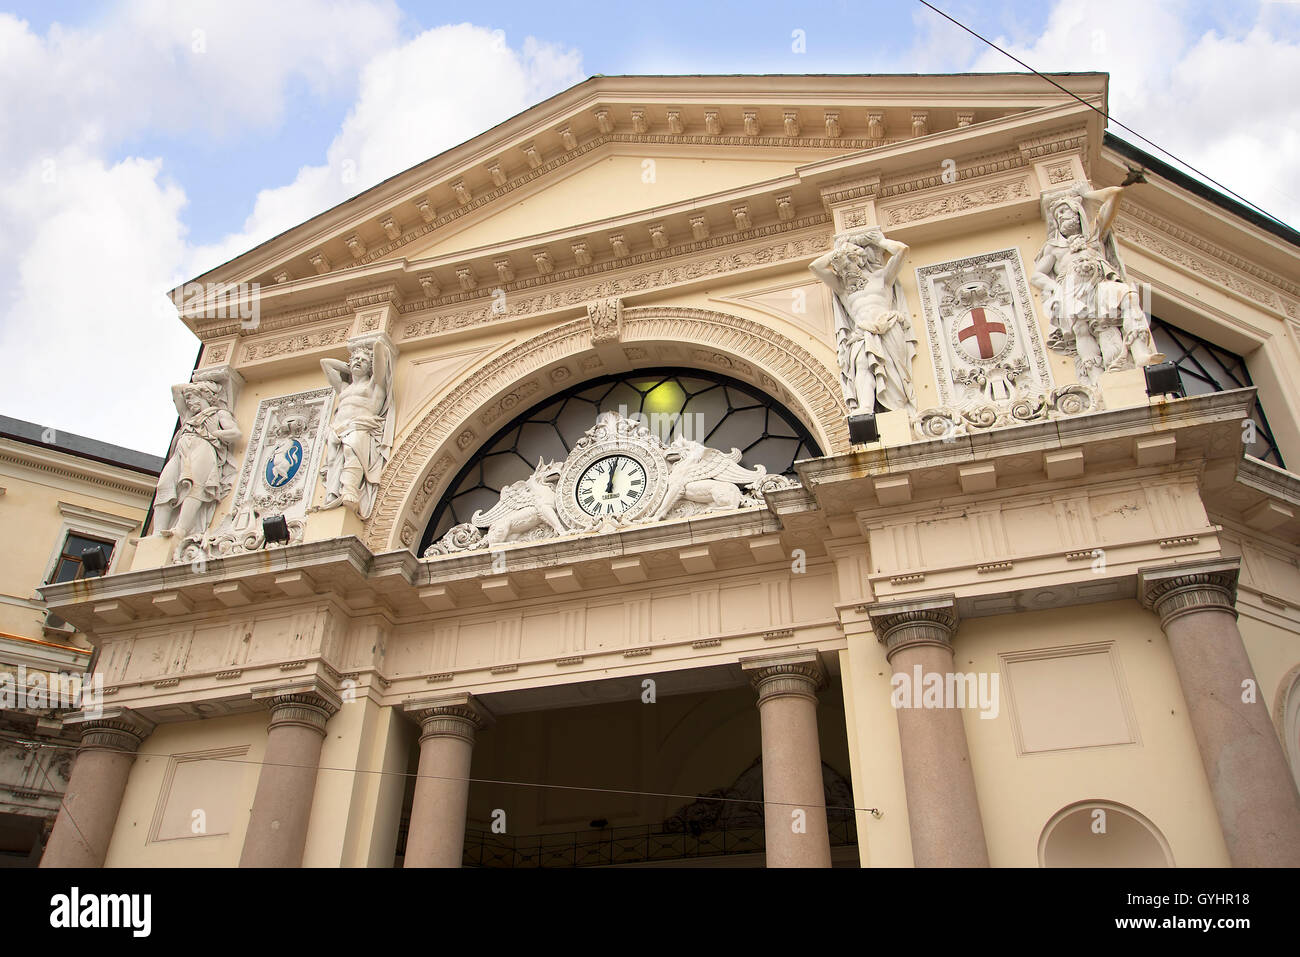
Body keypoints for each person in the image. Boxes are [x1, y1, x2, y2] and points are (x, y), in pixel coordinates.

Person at [1033, 182, 1163, 382]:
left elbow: (1115, 194)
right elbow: (1037, 275)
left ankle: (1140, 354)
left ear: (1078, 214)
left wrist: (1088, 194)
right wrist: (1056, 289)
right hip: (1073, 291)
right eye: (1057, 216)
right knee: (1083, 330)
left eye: (1065, 212)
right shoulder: (1054, 248)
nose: (1061, 217)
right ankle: (1097, 379)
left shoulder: (1094, 238)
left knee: (1129, 298)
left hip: (1101, 284)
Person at [809, 227, 917, 415]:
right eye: (840, 266)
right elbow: (815, 267)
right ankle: (866, 407)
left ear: (859, 260)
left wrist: (880, 241)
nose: (844, 269)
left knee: (891, 368)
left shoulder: (881, 277)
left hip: (887, 326)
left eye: (847, 263)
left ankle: (898, 409)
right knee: (862, 365)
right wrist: (840, 249)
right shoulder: (843, 288)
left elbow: (902, 251)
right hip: (861, 331)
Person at [155, 379, 241, 545]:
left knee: (196, 486)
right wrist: (196, 388)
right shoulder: (188, 416)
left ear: (203, 396)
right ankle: (157, 532)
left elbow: (235, 433)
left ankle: (181, 529)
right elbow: (175, 389)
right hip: (181, 452)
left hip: (204, 448)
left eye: (191, 398)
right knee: (165, 484)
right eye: (187, 399)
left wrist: (215, 434)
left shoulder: (219, 414)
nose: (188, 402)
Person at [319, 340, 394, 519]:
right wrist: (351, 365)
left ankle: (350, 489)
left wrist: (375, 347)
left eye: (364, 360)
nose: (358, 361)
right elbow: (325, 363)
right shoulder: (345, 388)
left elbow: (380, 366)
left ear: (371, 367)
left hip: (360, 426)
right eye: (355, 359)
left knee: (351, 448)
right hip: (337, 429)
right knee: (333, 463)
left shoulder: (374, 385)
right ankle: (333, 494)